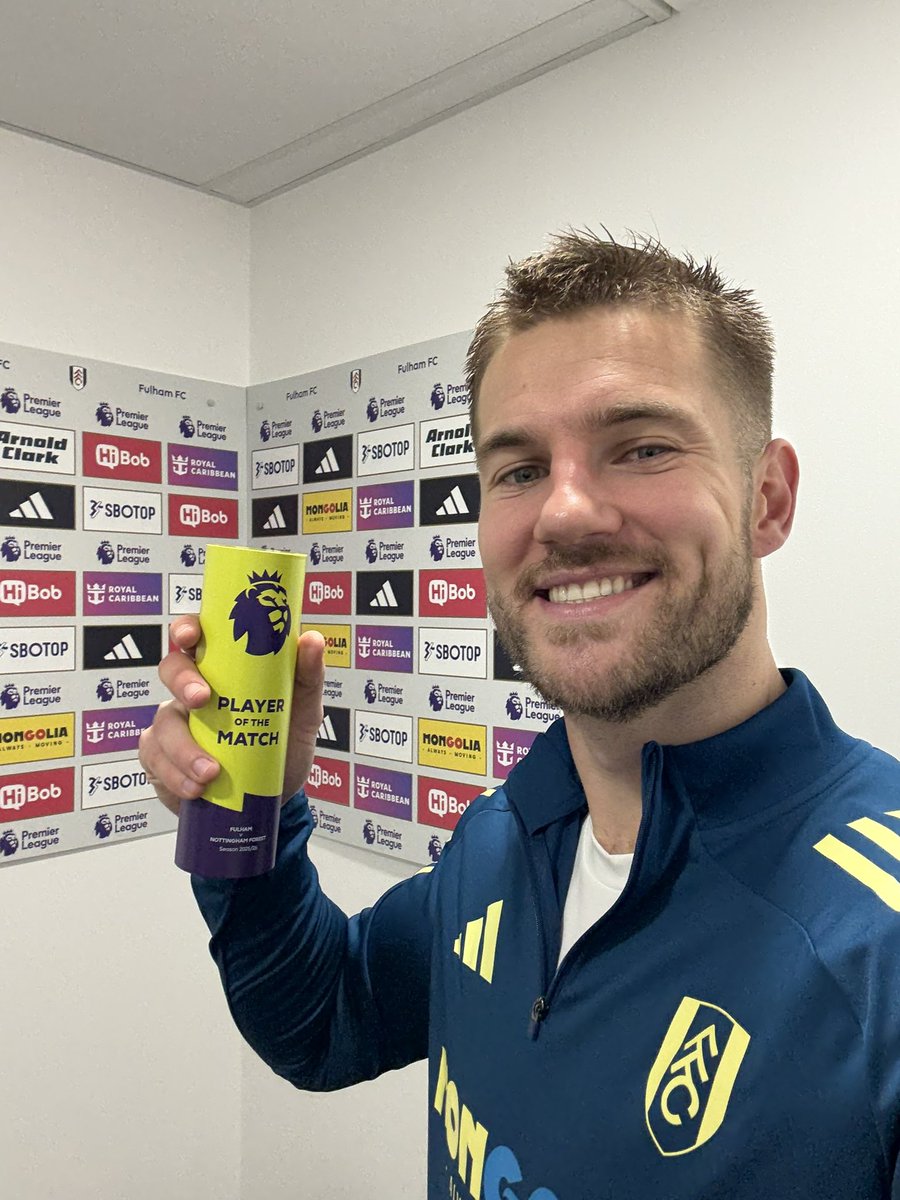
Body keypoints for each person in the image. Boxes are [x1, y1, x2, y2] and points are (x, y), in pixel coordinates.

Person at [140, 230, 900, 1199]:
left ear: (768, 498)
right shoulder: (508, 830)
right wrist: (242, 808)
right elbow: (321, 1019)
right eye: (520, 469)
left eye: (643, 448)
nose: (565, 513)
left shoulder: (877, 949)